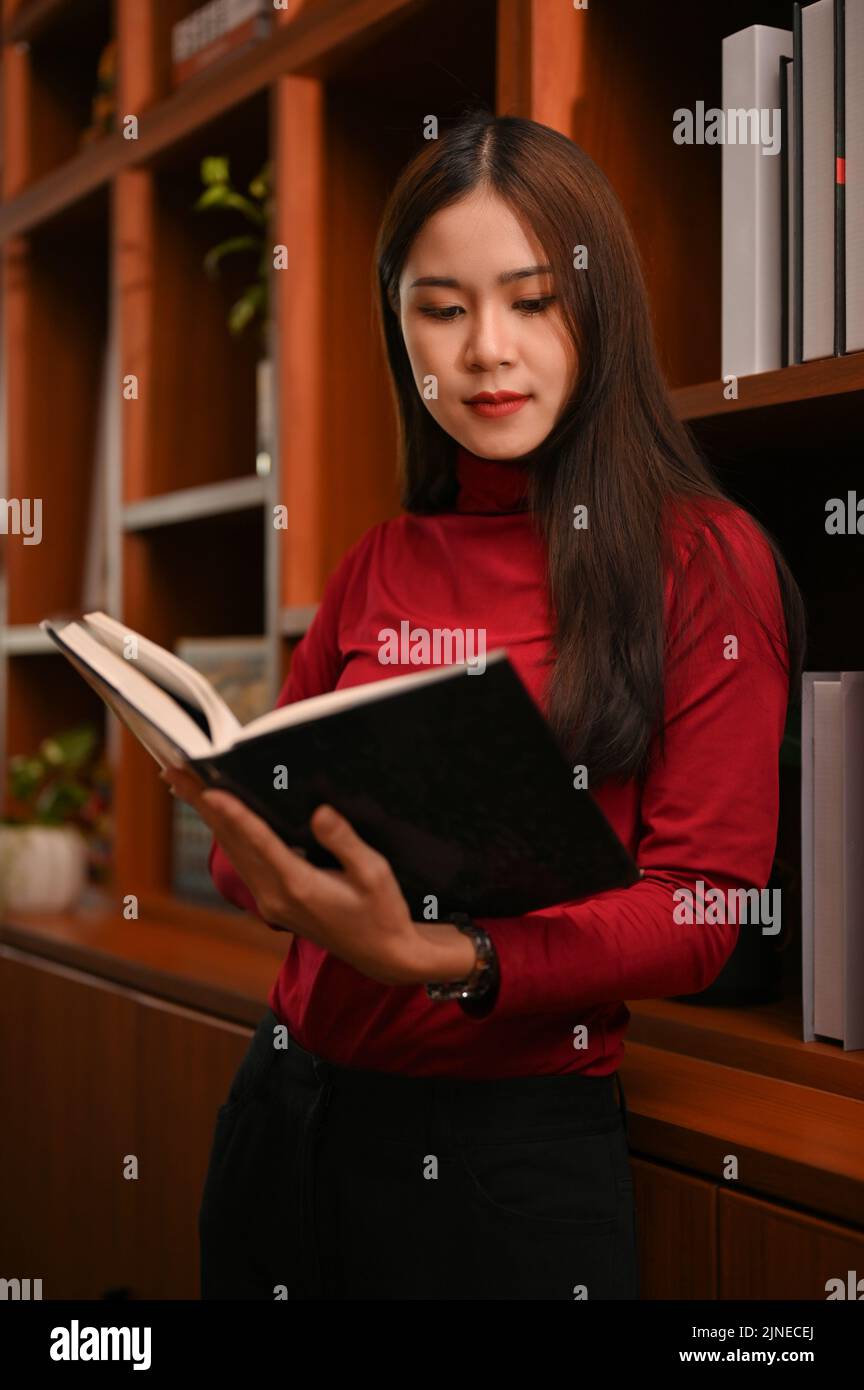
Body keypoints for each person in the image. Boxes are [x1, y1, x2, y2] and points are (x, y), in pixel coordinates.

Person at [163, 108, 806, 1301]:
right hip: (286, 1109)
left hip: (503, 1157)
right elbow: (259, 877)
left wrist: (444, 956)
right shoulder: (377, 559)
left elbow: (704, 907)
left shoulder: (704, 561)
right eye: (442, 309)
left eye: (531, 300)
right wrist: (233, 806)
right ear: (400, 327)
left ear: (596, 304)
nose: (485, 352)